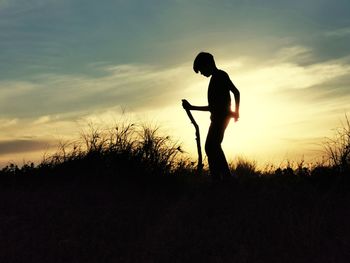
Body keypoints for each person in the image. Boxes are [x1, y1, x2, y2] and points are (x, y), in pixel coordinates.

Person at [182, 52, 240, 181]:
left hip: (221, 118)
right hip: (219, 118)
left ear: (208, 64)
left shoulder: (220, 76)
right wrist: (236, 112)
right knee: (212, 147)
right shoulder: (217, 78)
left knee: (212, 146)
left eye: (202, 69)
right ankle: (220, 178)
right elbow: (215, 106)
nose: (202, 73)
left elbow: (235, 93)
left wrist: (236, 112)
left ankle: (223, 179)